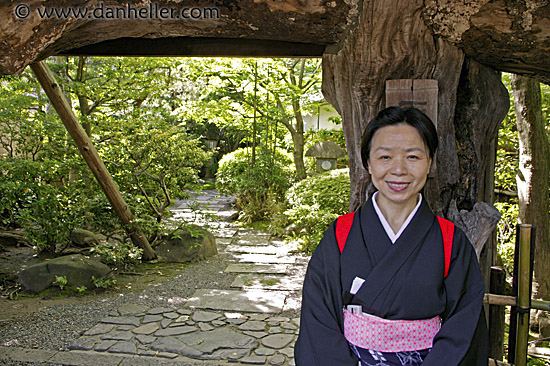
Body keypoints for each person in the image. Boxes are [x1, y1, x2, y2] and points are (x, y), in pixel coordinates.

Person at [294, 106, 488, 365]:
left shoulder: (450, 240)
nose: (398, 170)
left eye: (413, 157)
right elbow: (318, 324)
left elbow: (464, 327)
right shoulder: (340, 235)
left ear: (429, 163)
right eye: (385, 157)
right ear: (368, 163)